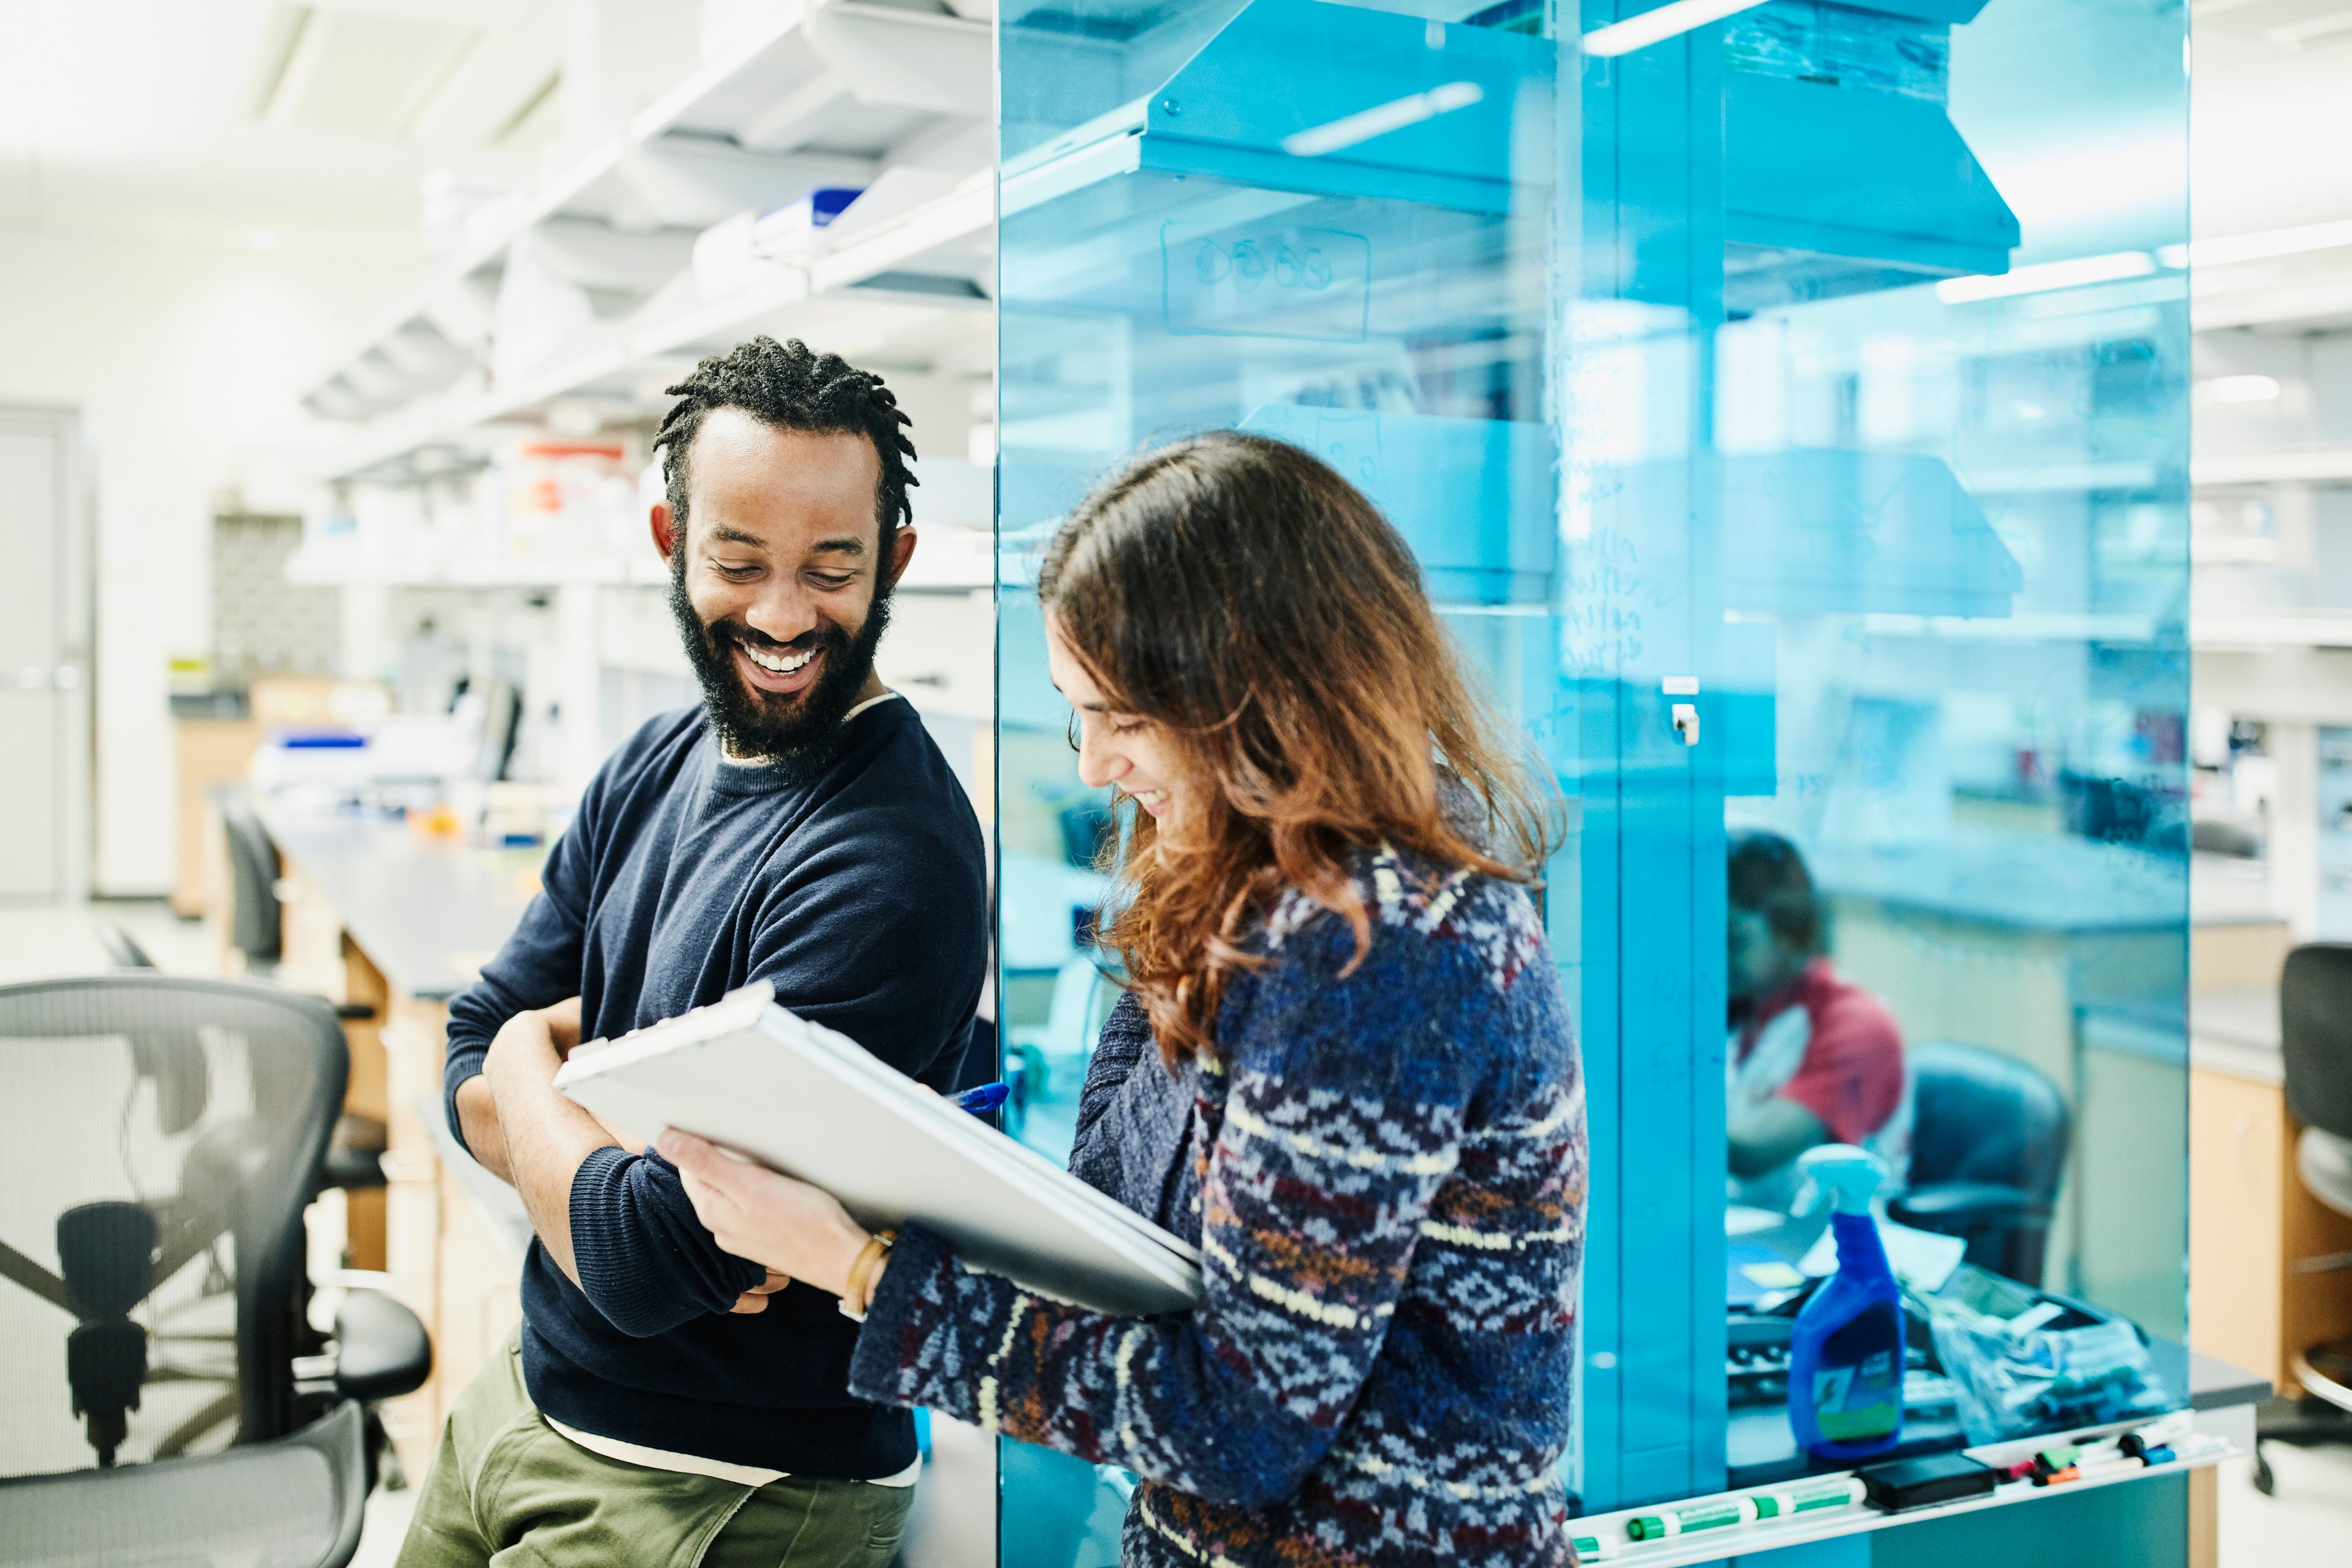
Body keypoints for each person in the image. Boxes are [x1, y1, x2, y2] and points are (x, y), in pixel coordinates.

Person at [662, 430, 1589, 1568]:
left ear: (1267, 700)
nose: (1095, 766)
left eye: (1126, 719)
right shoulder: (1255, 896)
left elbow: (1242, 1422)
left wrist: (861, 1269)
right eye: (1077, 711)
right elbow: (1134, 1229)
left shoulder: (1377, 956)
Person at [395, 337, 990, 1568]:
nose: (782, 615)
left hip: (729, 1484)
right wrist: (536, 1088)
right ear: (671, 544)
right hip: (523, 1396)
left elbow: (640, 1256)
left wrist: (524, 1060)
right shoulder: (656, 760)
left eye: (833, 568)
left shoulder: (891, 857)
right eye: (739, 561)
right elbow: (464, 1047)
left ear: (897, 562)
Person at [1725, 829, 1909, 1212]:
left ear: (1789, 928)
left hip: (1834, 1252)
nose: (1713, 956)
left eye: (1733, 938)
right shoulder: (1740, 1008)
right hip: (1750, 1234)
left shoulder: (1857, 1024)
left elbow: (1752, 1151)